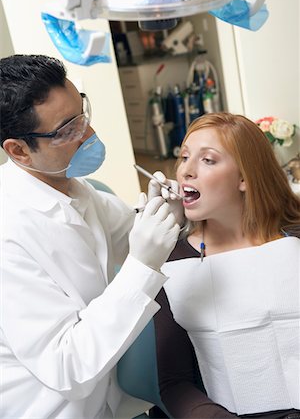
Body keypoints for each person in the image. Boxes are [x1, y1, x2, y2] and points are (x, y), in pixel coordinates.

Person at [0, 54, 181, 419]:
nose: (89, 135)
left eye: (82, 113)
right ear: (18, 150)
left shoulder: (75, 189)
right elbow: (67, 366)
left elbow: (129, 227)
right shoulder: (9, 233)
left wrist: (165, 211)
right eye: (67, 129)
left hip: (112, 402)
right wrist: (142, 265)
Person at [151, 112, 300, 418]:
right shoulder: (172, 261)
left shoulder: (295, 238)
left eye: (208, 160)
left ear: (244, 178)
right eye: (184, 157)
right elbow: (174, 383)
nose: (186, 172)